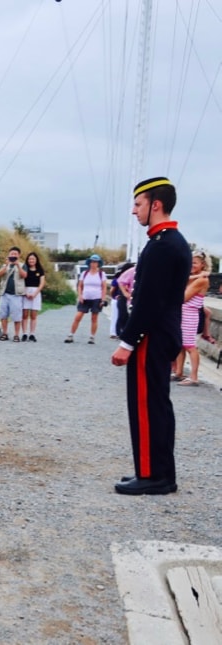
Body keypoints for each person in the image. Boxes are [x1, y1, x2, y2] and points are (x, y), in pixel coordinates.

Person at [111, 176, 191, 496]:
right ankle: (156, 471)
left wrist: (127, 343)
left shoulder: (162, 246)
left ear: (155, 205)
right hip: (162, 334)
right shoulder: (171, 241)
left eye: (138, 204)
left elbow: (148, 302)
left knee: (146, 405)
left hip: (153, 336)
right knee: (157, 404)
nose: (134, 211)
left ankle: (154, 476)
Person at [172, 250, 212, 385]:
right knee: (180, 345)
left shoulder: (201, 280)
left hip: (189, 315)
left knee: (190, 346)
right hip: (183, 314)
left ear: (202, 265)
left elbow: (182, 297)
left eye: (195, 263)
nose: (191, 265)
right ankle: (179, 372)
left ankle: (194, 377)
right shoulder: (196, 277)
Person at [64, 254, 108, 344]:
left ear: (98, 263)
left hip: (97, 297)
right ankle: (70, 335)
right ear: (89, 263)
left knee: (94, 318)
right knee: (78, 316)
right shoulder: (85, 273)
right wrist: (80, 295)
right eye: (92, 262)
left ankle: (92, 337)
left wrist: (103, 299)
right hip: (85, 297)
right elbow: (80, 285)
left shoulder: (101, 274)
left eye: (95, 262)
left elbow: (104, 287)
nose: (93, 264)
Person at [0, 246, 27, 342]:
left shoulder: (22, 265)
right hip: (4, 293)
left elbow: (24, 275)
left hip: (16, 294)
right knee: (3, 315)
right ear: (8, 255)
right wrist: (6, 265)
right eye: (12, 254)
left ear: (19, 255)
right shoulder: (5, 265)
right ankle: (5, 333)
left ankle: (16, 335)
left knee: (17, 316)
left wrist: (17, 265)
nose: (13, 255)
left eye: (15, 254)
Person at [21, 251, 46, 342]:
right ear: (27, 260)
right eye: (30, 259)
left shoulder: (40, 270)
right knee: (24, 314)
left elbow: (42, 282)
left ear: (36, 260)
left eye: (33, 259)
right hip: (26, 292)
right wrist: (25, 292)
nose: (31, 260)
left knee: (34, 315)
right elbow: (21, 281)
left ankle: (32, 333)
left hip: (36, 292)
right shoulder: (25, 268)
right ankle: (24, 333)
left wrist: (35, 293)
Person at [110, 262, 135, 339]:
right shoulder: (121, 277)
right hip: (121, 298)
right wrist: (114, 297)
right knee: (121, 316)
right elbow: (112, 289)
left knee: (121, 316)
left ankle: (120, 332)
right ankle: (118, 332)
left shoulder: (118, 277)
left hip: (121, 298)